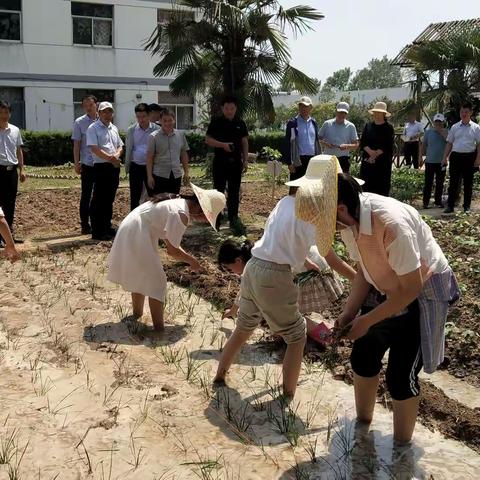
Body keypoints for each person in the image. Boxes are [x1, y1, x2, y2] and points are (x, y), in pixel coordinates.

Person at [295, 158, 459, 444]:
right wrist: (348, 314)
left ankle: (401, 452)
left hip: (421, 288)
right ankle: (363, 428)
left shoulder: (390, 226)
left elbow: (408, 290)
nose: (331, 230)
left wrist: (368, 319)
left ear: (341, 210)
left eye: (328, 222)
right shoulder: (350, 222)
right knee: (363, 353)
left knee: (400, 375)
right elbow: (364, 271)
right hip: (387, 282)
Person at [213, 159, 355, 399]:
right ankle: (288, 395)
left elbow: (284, 240)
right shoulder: (312, 214)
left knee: (243, 328)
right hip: (274, 274)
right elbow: (330, 258)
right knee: (297, 336)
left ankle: (220, 375)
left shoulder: (285, 202)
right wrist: (360, 278)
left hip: (254, 267)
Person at [107, 184, 226, 331]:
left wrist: (190, 259)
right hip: (137, 232)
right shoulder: (181, 214)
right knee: (158, 282)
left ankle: (136, 316)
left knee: (141, 274)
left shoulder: (177, 201)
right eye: (207, 217)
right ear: (200, 210)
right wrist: (192, 261)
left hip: (132, 228)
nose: (204, 221)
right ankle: (159, 330)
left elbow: (171, 242)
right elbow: (172, 251)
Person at [218, 238, 355, 345]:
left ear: (238, 260)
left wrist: (232, 312)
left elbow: (244, 293)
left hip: (308, 269)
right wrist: (232, 311)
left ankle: (325, 335)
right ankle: (319, 332)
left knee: (286, 315)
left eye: (230, 269)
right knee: (283, 311)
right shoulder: (257, 250)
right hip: (308, 261)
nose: (232, 273)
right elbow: (244, 292)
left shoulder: (255, 265)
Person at [205, 95, 249, 229]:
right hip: (220, 162)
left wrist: (245, 159)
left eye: (232, 108)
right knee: (218, 191)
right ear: (222, 108)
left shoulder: (240, 123)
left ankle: (233, 219)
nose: (229, 111)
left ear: (236, 109)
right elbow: (207, 140)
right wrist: (222, 145)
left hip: (236, 162)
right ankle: (216, 220)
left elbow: (245, 142)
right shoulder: (216, 122)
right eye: (226, 108)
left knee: (234, 192)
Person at [87, 102, 124, 241]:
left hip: (113, 167)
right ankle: (97, 231)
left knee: (109, 199)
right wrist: (110, 158)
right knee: (99, 199)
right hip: (101, 166)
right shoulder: (93, 128)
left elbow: (120, 145)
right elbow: (94, 148)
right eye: (104, 112)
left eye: (110, 112)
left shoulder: (113, 128)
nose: (107, 115)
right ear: (99, 113)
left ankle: (107, 227)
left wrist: (117, 155)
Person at [443, 102, 480, 214]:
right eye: (462, 112)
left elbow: (479, 144)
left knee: (468, 183)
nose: (463, 114)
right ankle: (450, 206)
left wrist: (478, 159)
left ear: (470, 113)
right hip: (456, 156)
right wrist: (444, 157)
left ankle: (466, 207)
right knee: (453, 182)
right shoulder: (454, 127)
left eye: (466, 112)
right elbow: (449, 143)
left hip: (470, 157)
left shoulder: (476, 127)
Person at [0, 100, 26, 246]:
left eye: (7, 112)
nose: (4, 115)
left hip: (11, 172)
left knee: (10, 204)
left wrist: (22, 169)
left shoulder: (15, 130)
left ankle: (8, 235)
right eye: (1, 112)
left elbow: (18, 150)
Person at [147, 109, 190, 195]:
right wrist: (149, 176)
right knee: (160, 204)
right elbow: (149, 158)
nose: (167, 123)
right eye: (164, 121)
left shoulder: (180, 135)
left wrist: (186, 172)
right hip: (159, 176)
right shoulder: (153, 137)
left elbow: (183, 154)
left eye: (170, 120)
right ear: (160, 121)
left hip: (176, 175)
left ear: (174, 120)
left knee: (173, 203)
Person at [125, 103, 159, 211]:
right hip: (135, 166)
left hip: (152, 167)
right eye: (138, 117)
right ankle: (134, 221)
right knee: (135, 196)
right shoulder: (131, 130)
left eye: (144, 116)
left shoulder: (157, 129)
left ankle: (154, 218)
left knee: (153, 194)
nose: (141, 119)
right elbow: (129, 148)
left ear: (149, 115)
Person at [72, 94, 98, 234]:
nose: (88, 108)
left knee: (99, 195)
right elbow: (77, 144)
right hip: (87, 164)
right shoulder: (79, 122)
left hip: (101, 164)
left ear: (96, 105)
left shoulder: (103, 120)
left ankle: (98, 221)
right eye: (85, 105)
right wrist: (76, 163)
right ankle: (85, 224)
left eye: (91, 105)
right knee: (86, 194)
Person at [359, 102, 395, 197]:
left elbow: (388, 145)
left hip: (382, 164)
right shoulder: (368, 126)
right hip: (368, 162)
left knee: (381, 189)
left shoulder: (389, 128)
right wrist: (370, 153)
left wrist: (375, 155)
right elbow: (363, 142)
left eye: (379, 113)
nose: (377, 114)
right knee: (366, 188)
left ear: (384, 114)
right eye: (375, 112)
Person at [284, 96, 321, 181]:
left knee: (310, 187)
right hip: (298, 160)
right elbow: (287, 143)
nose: (303, 109)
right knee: (295, 188)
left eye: (306, 106)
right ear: (299, 107)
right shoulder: (293, 123)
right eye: (301, 106)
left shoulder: (314, 123)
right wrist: (289, 163)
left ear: (310, 108)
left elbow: (316, 142)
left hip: (312, 160)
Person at [319, 102, 359, 173]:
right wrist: (325, 144)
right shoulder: (327, 124)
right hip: (328, 158)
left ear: (347, 113)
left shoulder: (350, 126)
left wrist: (346, 146)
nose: (342, 114)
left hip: (343, 159)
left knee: (343, 182)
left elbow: (356, 145)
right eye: (340, 112)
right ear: (336, 111)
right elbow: (318, 139)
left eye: (344, 113)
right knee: (327, 182)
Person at [421, 113, 447, 209]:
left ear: (443, 122)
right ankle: (425, 202)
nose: (438, 124)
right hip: (430, 161)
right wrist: (420, 157)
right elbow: (424, 145)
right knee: (428, 182)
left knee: (440, 183)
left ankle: (438, 201)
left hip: (441, 162)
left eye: (440, 122)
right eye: (436, 122)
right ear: (434, 122)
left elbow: (449, 141)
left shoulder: (446, 131)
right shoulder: (428, 132)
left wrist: (441, 131)